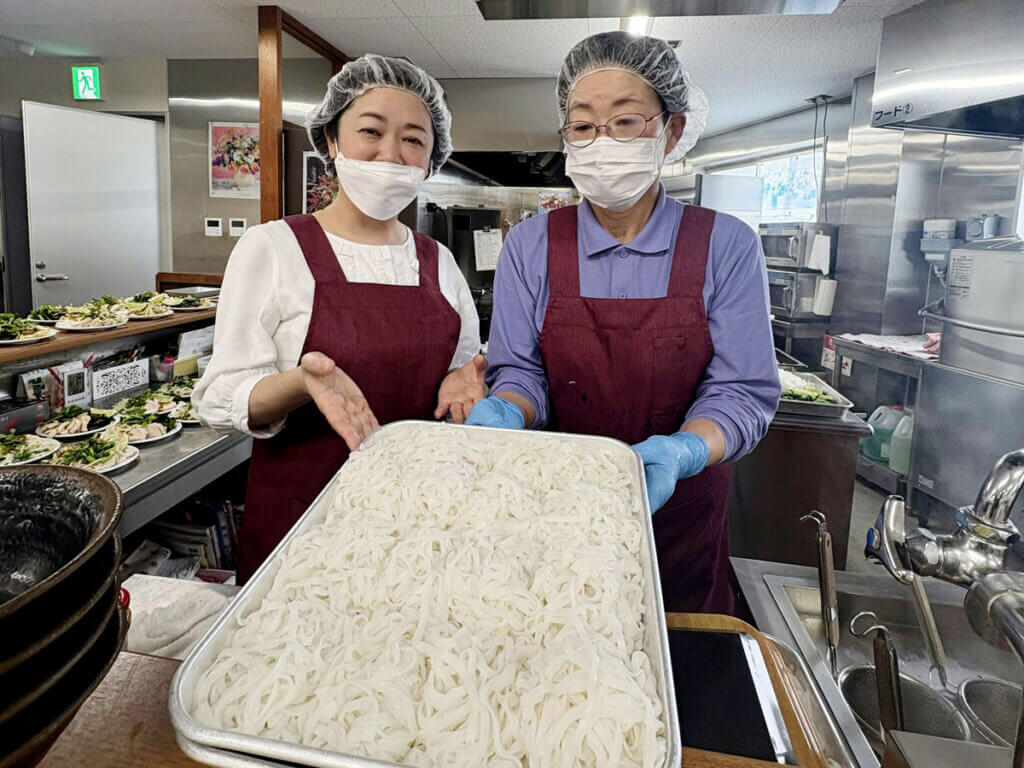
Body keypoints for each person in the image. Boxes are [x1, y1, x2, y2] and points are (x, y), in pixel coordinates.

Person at [466, 32, 780, 615]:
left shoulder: (726, 246)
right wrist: (506, 406)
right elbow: (521, 373)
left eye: (626, 122)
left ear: (672, 131)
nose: (601, 142)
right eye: (582, 126)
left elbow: (742, 391)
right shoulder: (530, 247)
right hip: (555, 519)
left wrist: (684, 450)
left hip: (679, 523)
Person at [194, 55, 484, 583]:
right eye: (371, 131)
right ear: (330, 140)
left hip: (420, 523)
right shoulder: (273, 248)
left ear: (430, 158)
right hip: (301, 528)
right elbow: (219, 398)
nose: (390, 155)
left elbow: (460, 374)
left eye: (413, 140)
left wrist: (469, 380)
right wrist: (302, 381)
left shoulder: (439, 262)